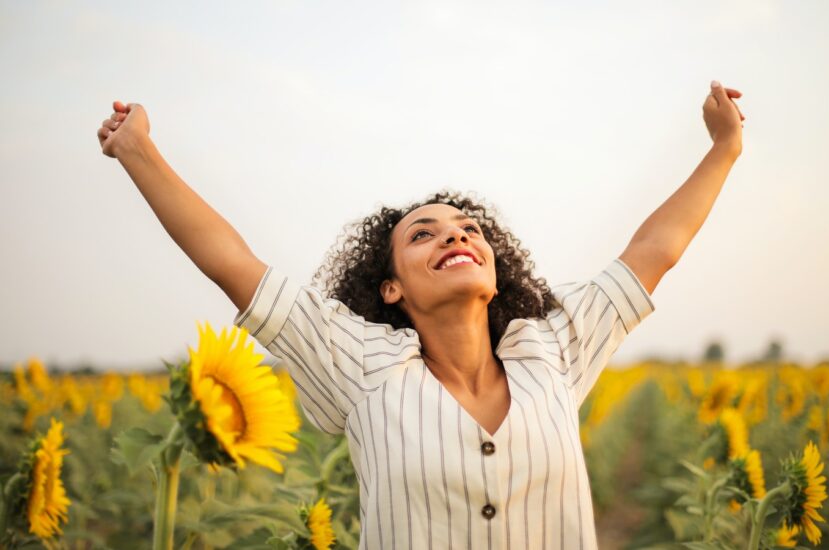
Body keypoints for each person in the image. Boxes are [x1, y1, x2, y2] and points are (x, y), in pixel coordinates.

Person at [97, 80, 744, 549]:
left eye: (469, 230)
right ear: (390, 290)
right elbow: (233, 265)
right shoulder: (361, 368)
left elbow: (655, 252)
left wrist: (724, 148)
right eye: (423, 235)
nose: (456, 238)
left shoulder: (551, 347)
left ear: (495, 270)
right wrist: (138, 150)